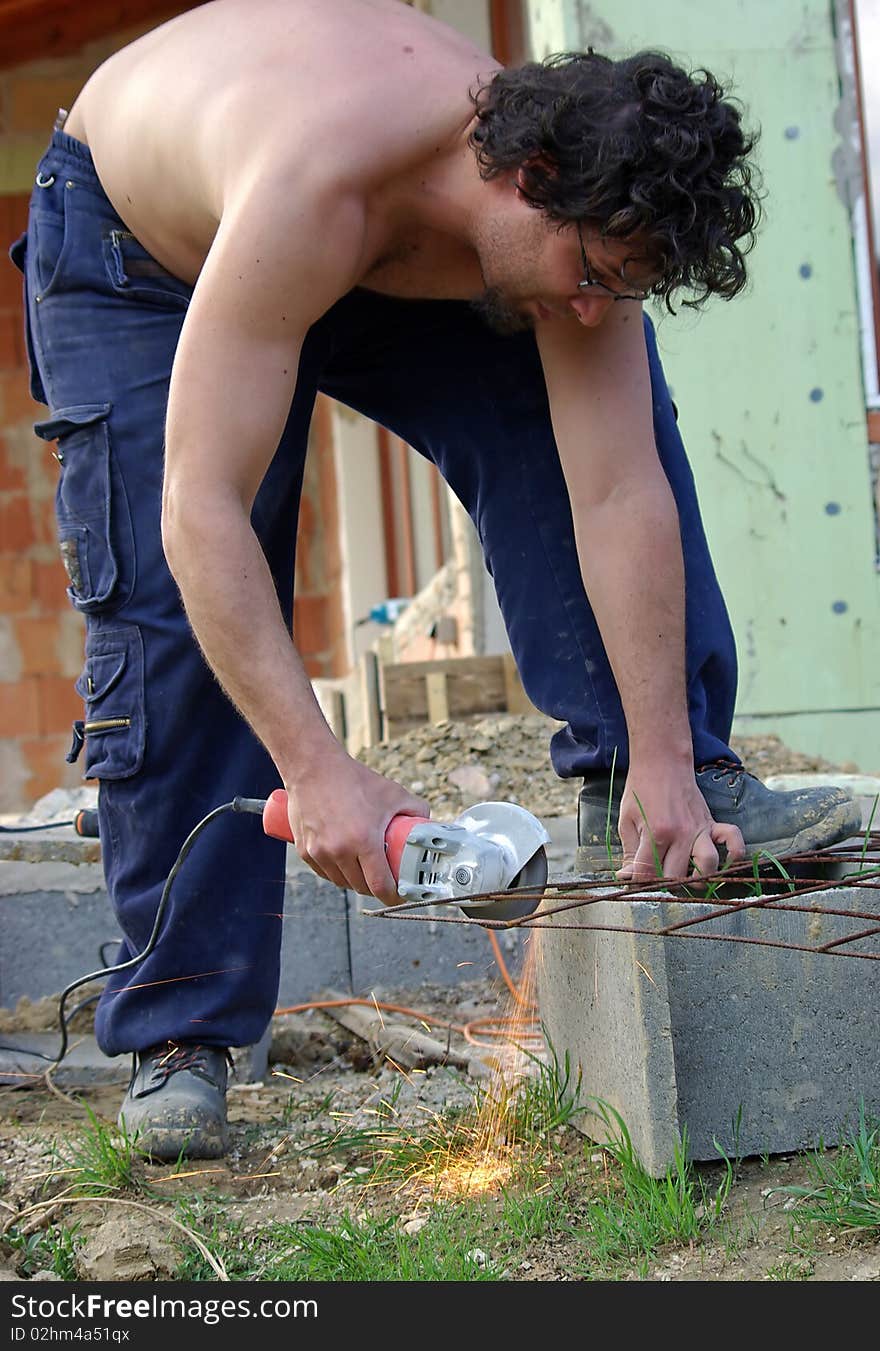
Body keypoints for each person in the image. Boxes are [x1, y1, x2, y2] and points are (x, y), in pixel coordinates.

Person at [9, 0, 860, 1159]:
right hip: (139, 245)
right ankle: (180, 1034)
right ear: (534, 176)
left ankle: (664, 788)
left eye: (620, 285)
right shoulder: (322, 180)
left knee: (562, 422)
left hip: (405, 237)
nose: (593, 309)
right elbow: (197, 511)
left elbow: (615, 493)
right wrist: (318, 773)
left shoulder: (574, 229)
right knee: (173, 614)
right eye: (590, 274)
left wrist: (663, 746)